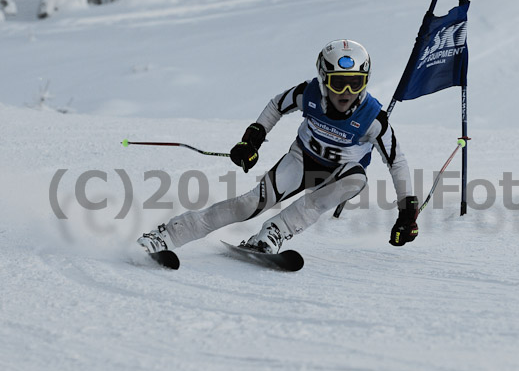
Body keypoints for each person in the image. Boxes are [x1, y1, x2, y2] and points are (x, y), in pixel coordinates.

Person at [137, 39, 419, 255]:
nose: (346, 94)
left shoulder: (373, 118)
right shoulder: (306, 93)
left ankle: (275, 232)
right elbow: (276, 106)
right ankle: (169, 235)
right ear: (323, 79)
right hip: (301, 161)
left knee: (356, 179)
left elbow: (397, 162)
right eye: (338, 84)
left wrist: (407, 212)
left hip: (339, 174)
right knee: (249, 204)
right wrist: (252, 139)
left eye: (355, 84)